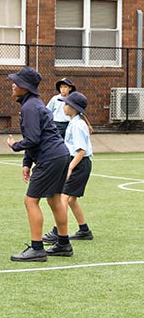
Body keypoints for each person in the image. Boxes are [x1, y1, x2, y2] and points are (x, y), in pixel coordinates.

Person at [6, 66, 71, 261]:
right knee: (54, 199)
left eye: (16, 82)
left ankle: (37, 248)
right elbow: (35, 137)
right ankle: (63, 244)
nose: (12, 85)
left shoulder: (29, 107)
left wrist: (14, 145)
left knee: (30, 201)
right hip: (61, 154)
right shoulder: (34, 104)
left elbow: (32, 139)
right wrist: (27, 162)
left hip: (49, 157)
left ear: (25, 87)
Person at [42, 91, 93, 244]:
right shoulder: (74, 122)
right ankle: (84, 230)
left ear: (74, 108)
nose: (63, 107)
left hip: (79, 164)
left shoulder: (77, 125)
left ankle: (58, 232)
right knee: (71, 200)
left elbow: (81, 150)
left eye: (66, 104)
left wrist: (70, 168)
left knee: (63, 199)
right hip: (78, 163)